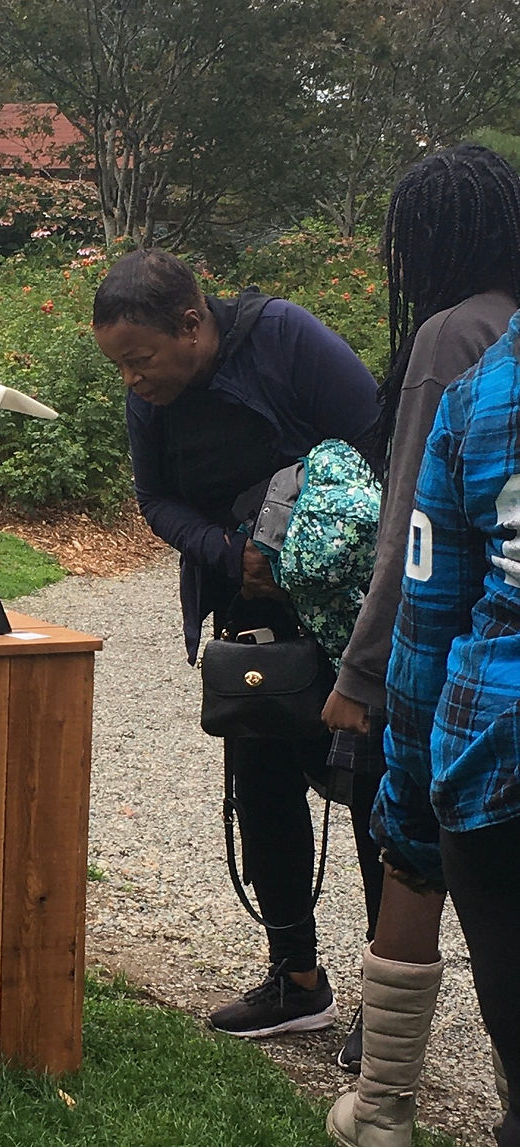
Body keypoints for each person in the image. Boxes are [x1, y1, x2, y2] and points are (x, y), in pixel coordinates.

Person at [92, 248, 383, 1040]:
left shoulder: (284, 338)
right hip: (247, 609)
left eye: (139, 361)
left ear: (192, 325)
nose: (132, 381)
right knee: (260, 785)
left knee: (369, 795)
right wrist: (235, 554)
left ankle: (387, 1002)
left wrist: (312, 552)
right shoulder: (151, 396)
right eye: (118, 365)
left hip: (347, 613)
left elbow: (376, 443)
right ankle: (296, 978)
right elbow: (155, 499)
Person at [325, 143, 520, 1145]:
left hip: (481, 708)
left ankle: (382, 1100)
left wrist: (362, 676)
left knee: (410, 851)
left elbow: (416, 534)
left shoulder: (457, 344)